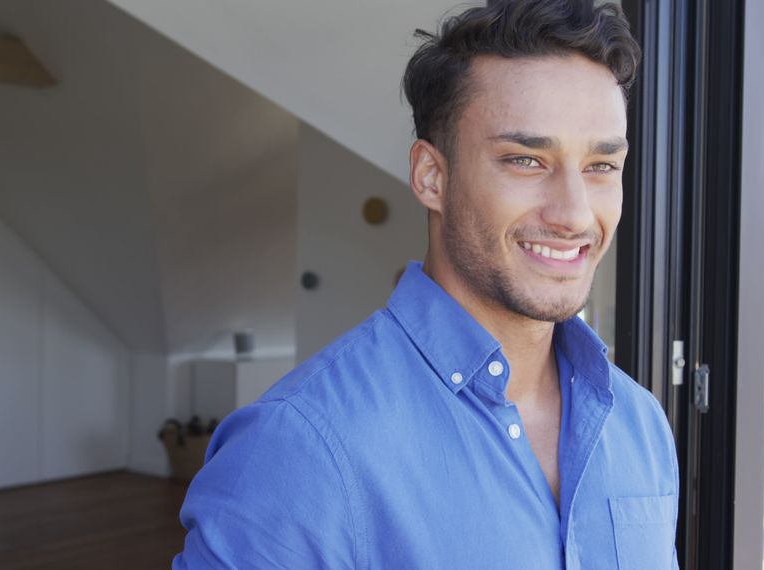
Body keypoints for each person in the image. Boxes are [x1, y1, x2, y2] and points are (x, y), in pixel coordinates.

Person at [174, 1, 679, 567]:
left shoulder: (639, 422)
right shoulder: (295, 449)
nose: (574, 214)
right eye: (526, 161)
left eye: (601, 166)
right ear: (431, 177)